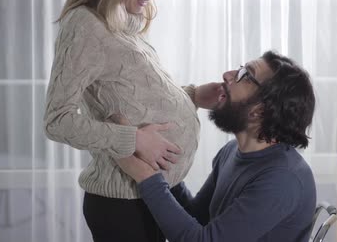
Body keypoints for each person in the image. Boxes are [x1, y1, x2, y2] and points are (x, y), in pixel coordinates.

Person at [43, 0, 205, 242]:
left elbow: (131, 98)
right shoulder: (85, 26)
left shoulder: (119, 20)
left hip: (148, 196)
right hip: (122, 205)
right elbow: (56, 121)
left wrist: (194, 96)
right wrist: (135, 139)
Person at [117, 51, 317, 242]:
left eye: (246, 76)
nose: (228, 75)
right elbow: (197, 215)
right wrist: (161, 161)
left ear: (259, 111)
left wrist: (146, 176)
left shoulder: (282, 179)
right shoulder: (231, 151)